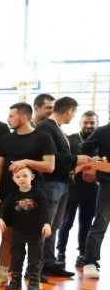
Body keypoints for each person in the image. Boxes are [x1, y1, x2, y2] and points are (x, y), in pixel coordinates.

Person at [0, 102, 55, 282]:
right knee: (7, 235)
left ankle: (33, 275)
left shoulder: (43, 138)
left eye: (11, 116)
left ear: (24, 117)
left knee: (34, 238)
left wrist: (26, 162)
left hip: (33, 194)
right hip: (8, 192)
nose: (8, 119)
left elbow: (50, 166)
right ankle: (3, 274)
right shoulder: (5, 139)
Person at [37, 97, 87, 278]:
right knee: (46, 225)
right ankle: (37, 265)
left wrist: (76, 164)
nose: (73, 117)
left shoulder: (56, 128)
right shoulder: (46, 128)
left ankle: (49, 263)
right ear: (69, 111)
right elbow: (50, 157)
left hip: (62, 182)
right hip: (51, 182)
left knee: (54, 225)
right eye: (74, 113)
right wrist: (75, 159)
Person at [0, 166, 52, 290]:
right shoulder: (13, 194)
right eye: (18, 177)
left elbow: (45, 208)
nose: (21, 179)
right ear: (13, 179)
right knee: (16, 257)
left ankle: (34, 281)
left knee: (35, 258)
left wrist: (47, 223)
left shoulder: (38, 193)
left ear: (32, 177)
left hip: (35, 232)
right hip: (18, 232)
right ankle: (15, 281)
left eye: (25, 176)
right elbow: (3, 207)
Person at [59, 111, 100, 271]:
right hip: (72, 188)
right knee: (66, 222)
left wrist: (95, 166)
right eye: (86, 122)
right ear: (80, 123)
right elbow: (64, 161)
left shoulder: (101, 141)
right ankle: (60, 253)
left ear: (97, 124)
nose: (89, 126)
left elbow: (105, 161)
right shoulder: (70, 139)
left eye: (92, 123)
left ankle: (83, 254)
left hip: (93, 189)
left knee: (86, 223)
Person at [77, 119, 110, 279]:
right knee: (100, 223)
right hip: (107, 183)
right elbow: (84, 148)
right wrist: (90, 167)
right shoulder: (103, 131)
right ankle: (90, 262)